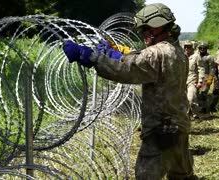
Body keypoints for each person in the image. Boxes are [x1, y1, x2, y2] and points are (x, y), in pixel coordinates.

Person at [63, 3, 197, 180]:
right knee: (183, 175)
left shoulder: (157, 53)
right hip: (179, 125)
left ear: (155, 27)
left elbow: (126, 70)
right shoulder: (177, 50)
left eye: (143, 29)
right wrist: (117, 55)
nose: (142, 34)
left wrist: (92, 57)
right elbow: (141, 61)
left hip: (161, 131)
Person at [184, 40, 205, 119]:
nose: (186, 48)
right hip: (183, 81)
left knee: (191, 98)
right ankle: (190, 115)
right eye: (185, 47)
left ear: (192, 48)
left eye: (188, 47)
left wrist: (200, 81)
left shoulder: (196, 56)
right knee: (185, 100)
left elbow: (201, 69)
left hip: (193, 80)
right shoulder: (182, 56)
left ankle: (195, 114)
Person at [197, 41, 215, 114]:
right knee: (196, 93)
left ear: (206, 48)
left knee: (204, 93)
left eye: (204, 48)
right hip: (197, 76)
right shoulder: (196, 56)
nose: (202, 49)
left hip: (206, 76)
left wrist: (210, 79)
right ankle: (197, 107)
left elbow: (212, 69)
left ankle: (205, 109)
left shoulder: (209, 57)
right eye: (200, 48)